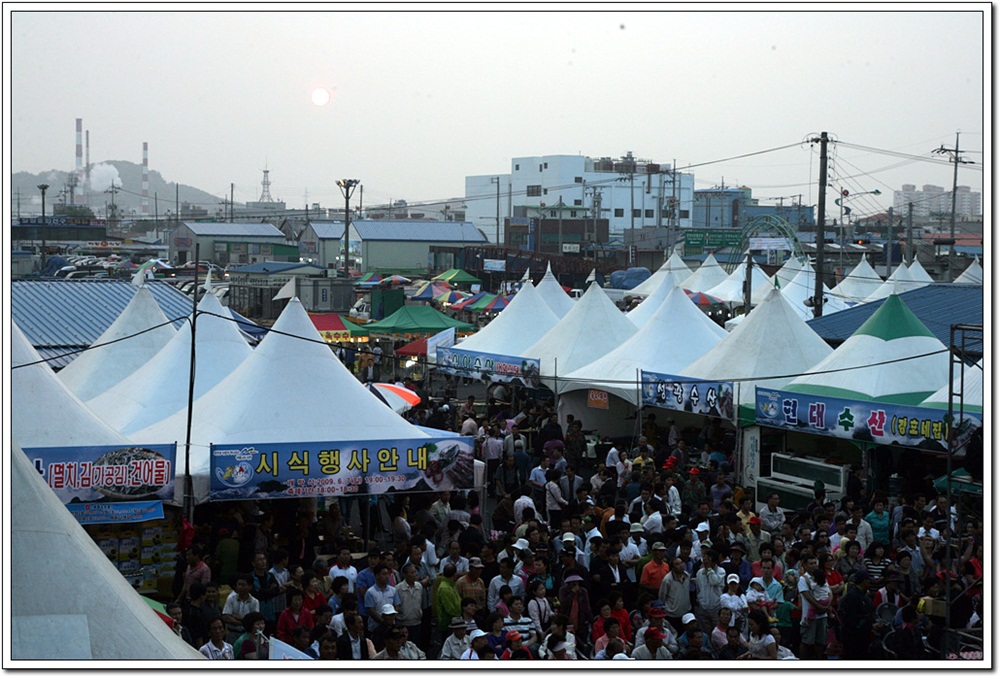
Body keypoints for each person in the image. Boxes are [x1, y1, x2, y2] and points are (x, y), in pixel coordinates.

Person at [221, 574, 260, 643]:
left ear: (250, 586)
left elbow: (254, 621)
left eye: (243, 585)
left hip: (247, 635)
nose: (240, 587)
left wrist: (234, 616)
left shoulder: (255, 602)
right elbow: (226, 617)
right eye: (239, 584)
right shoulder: (231, 599)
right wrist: (244, 621)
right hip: (232, 634)